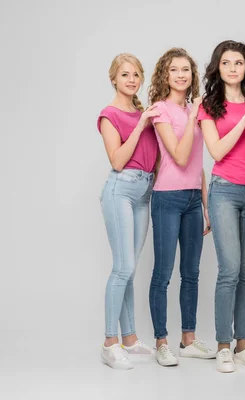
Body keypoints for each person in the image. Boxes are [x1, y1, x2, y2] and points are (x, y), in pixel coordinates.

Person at [198, 40, 245, 373]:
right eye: (226, 62)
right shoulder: (209, 106)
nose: (232, 68)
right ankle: (223, 345)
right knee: (229, 270)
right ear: (218, 67)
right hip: (225, 191)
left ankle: (244, 345)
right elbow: (217, 151)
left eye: (238, 62)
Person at [147, 47, 214, 367]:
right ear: (165, 74)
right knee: (163, 273)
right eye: (174, 69)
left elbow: (198, 164)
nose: (181, 74)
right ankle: (161, 340)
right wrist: (192, 118)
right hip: (167, 198)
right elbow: (180, 155)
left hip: (190, 199)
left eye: (186, 69)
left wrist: (206, 204)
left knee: (192, 272)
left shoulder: (194, 110)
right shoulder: (160, 110)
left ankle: (188, 338)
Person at [98, 53, 159, 370]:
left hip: (144, 193)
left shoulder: (143, 111)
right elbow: (118, 160)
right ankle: (110, 343)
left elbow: (157, 155)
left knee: (130, 268)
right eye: (125, 75)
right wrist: (141, 125)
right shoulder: (109, 115)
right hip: (120, 190)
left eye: (136, 74)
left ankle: (130, 339)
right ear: (114, 79)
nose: (132, 79)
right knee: (122, 267)